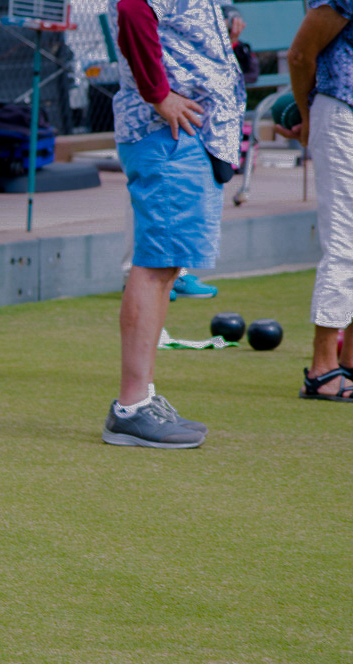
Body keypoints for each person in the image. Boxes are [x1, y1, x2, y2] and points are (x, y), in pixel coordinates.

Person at [103, 0, 245, 448]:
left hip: (181, 135)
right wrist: (158, 92)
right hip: (168, 134)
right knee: (156, 263)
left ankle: (142, 398)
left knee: (165, 267)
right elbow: (132, 9)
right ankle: (131, 407)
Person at [277, 0, 353, 400]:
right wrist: (307, 115)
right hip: (343, 113)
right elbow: (300, 54)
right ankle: (323, 368)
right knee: (344, 242)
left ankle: (351, 363)